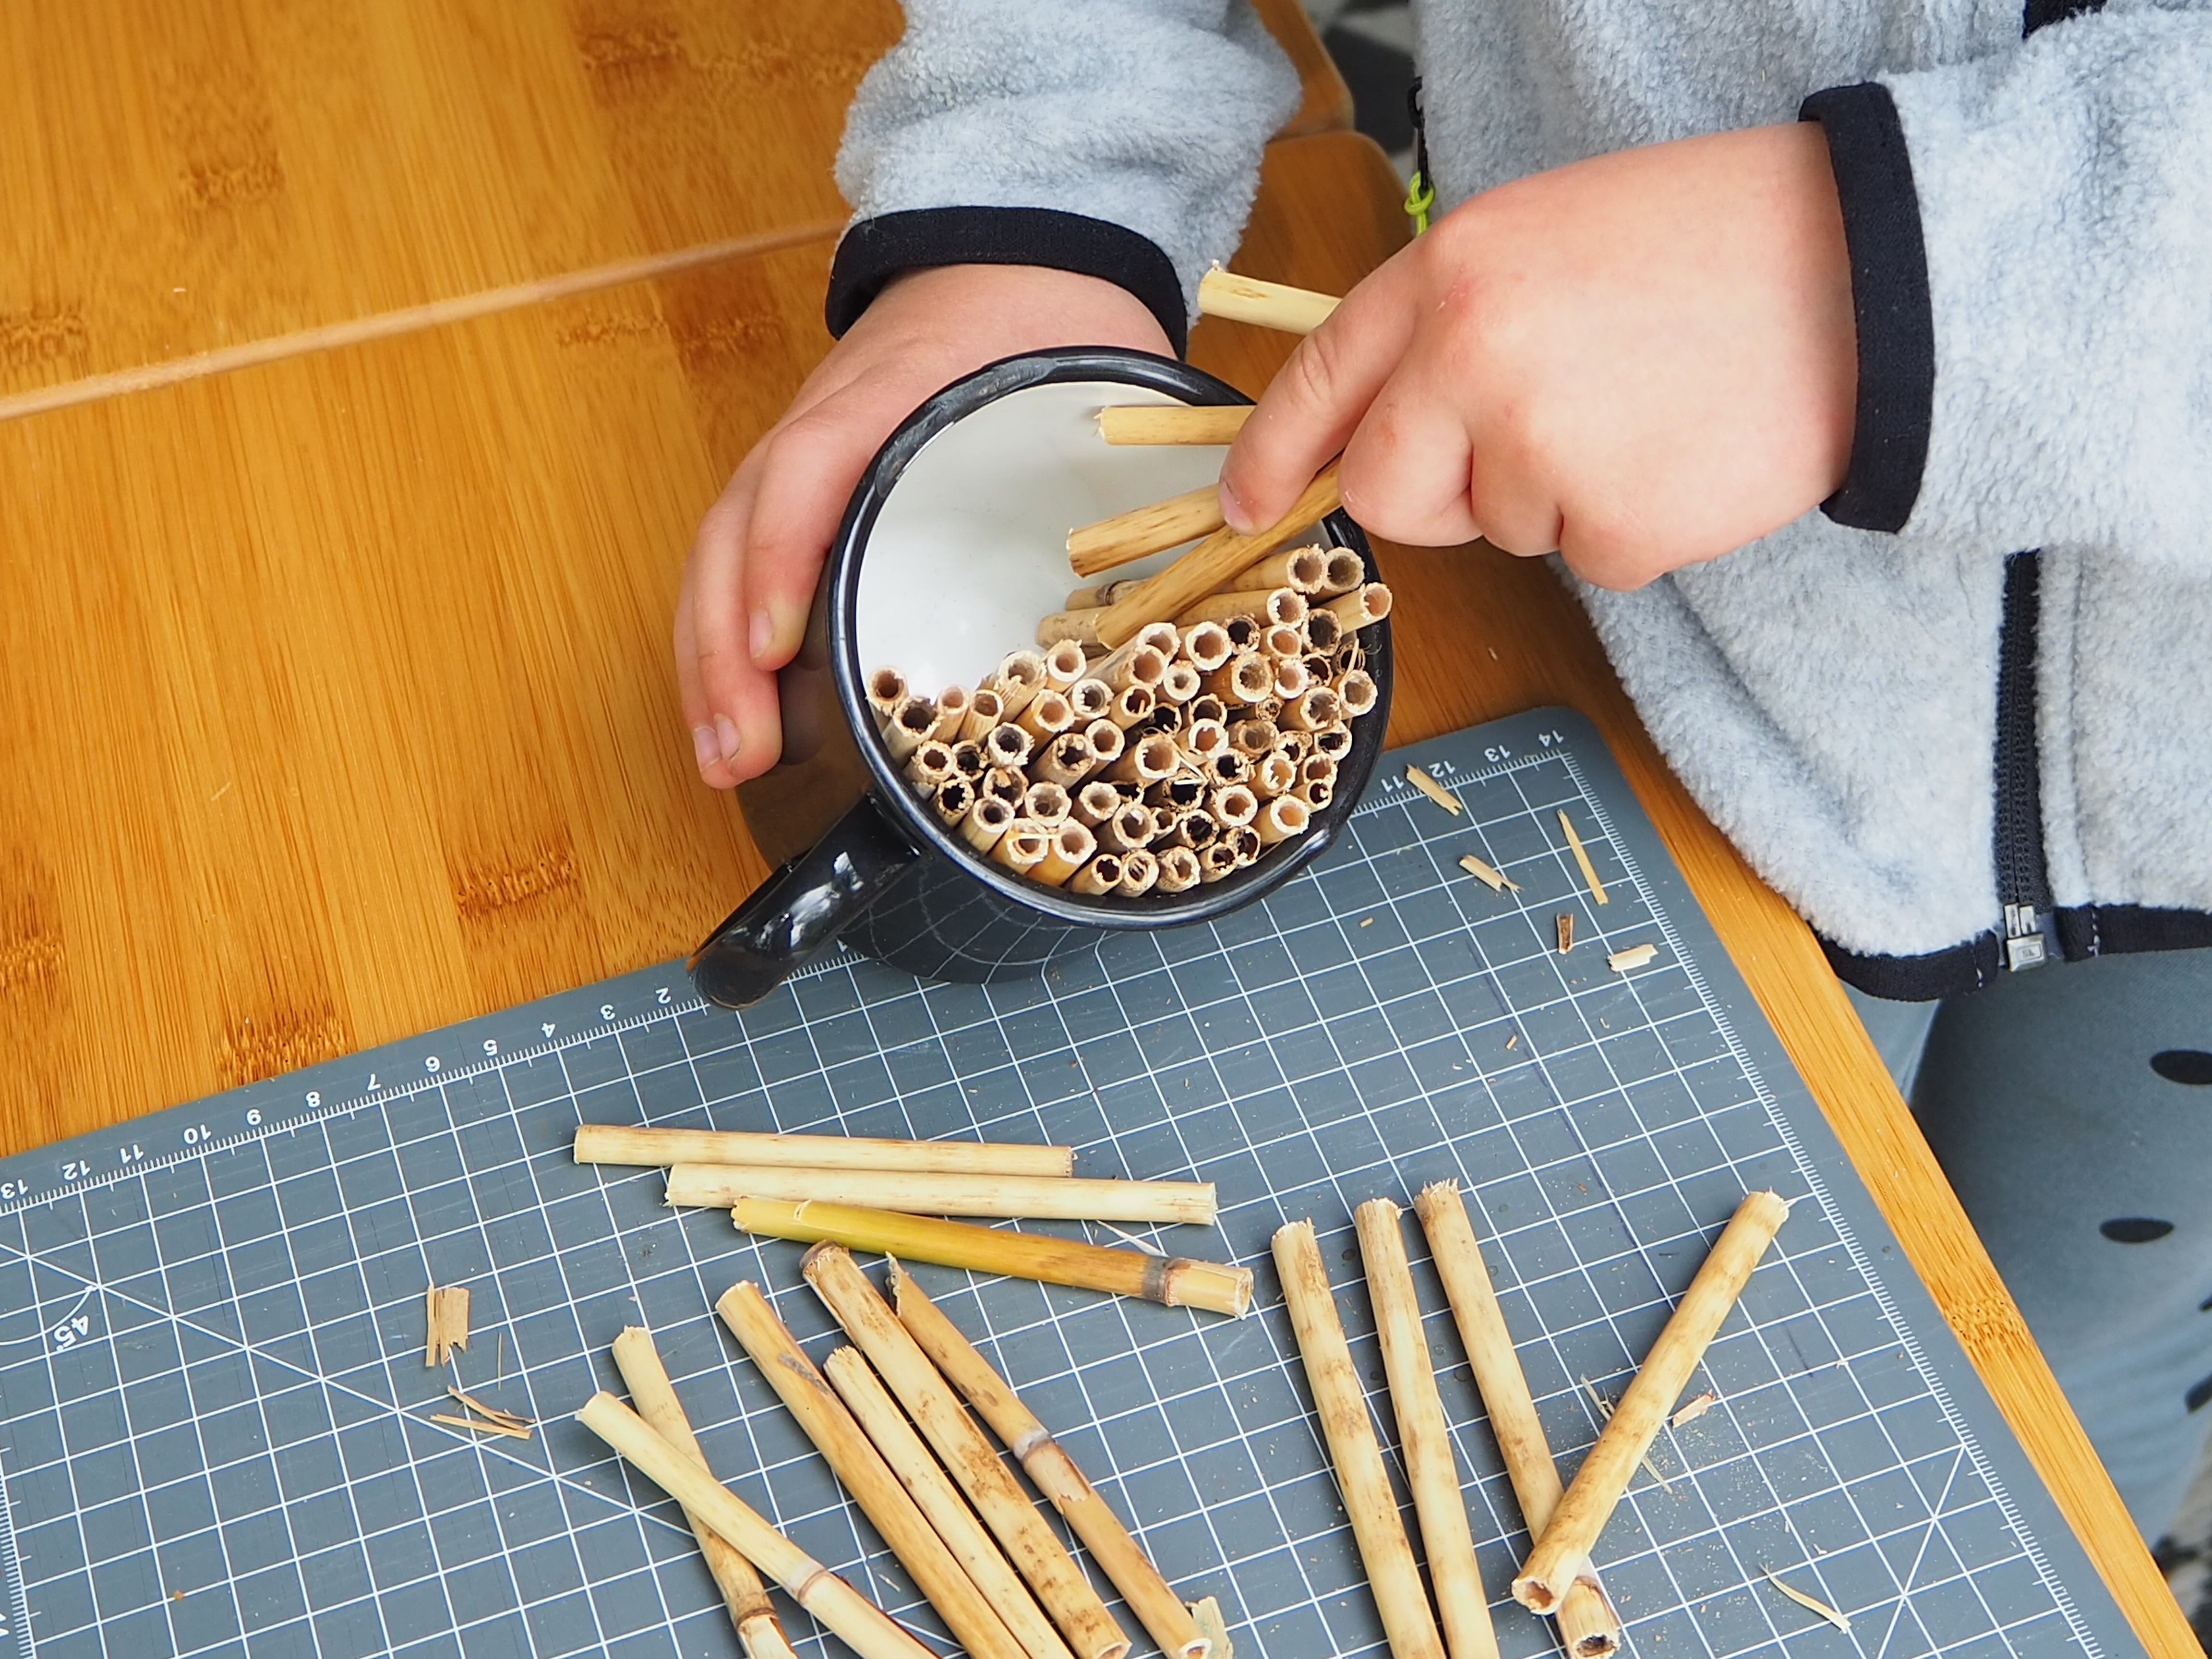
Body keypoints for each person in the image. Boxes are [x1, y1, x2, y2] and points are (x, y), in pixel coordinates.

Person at [674, 0, 2212, 1542]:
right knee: (1756, 1340)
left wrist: (1904, 274)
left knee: (2079, 1345)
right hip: (1647, 644)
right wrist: (1044, 182)